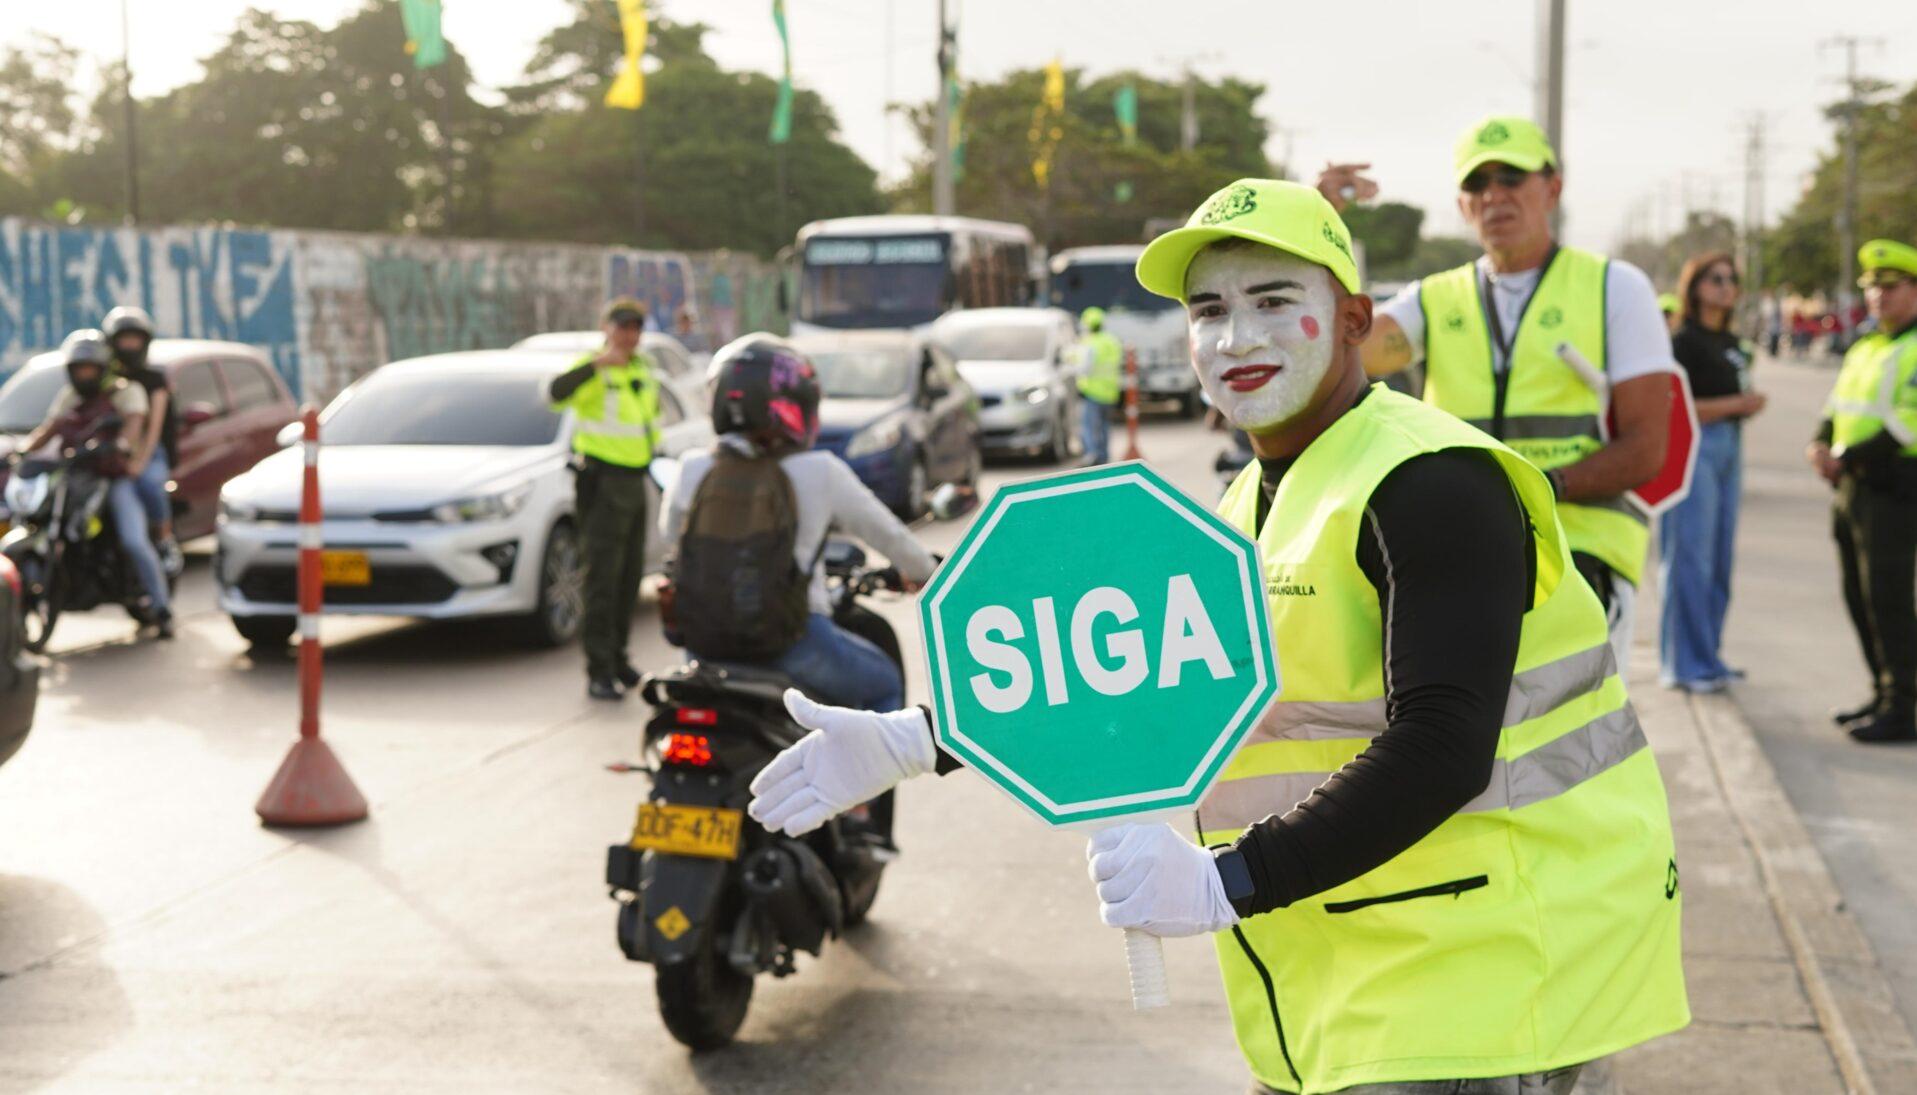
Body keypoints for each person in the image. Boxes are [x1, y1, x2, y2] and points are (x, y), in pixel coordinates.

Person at [747, 181, 1688, 1093]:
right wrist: (913, 740)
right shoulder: (1249, 500)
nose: (1236, 338)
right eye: (1207, 312)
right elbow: (1113, 665)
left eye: (1274, 301)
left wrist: (1224, 882)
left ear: (1356, 319)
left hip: (1479, 987)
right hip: (1341, 983)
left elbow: (1443, 744)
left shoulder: (1432, 481)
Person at [1321, 116, 1677, 672]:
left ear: (1552, 188)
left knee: (1565, 745)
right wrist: (1319, 225)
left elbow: (1647, 448)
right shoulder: (1433, 300)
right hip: (1460, 548)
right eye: (1477, 184)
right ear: (1463, 205)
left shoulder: (1615, 288)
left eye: (1512, 177)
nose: (1495, 196)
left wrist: (1533, 493)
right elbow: (1331, 350)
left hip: (1579, 552)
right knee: (1457, 742)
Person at [660, 335, 936, 713]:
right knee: (882, 685)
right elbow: (888, 535)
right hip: (790, 643)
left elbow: (670, 536)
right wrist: (929, 571)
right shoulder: (819, 471)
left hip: (704, 645)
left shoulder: (692, 467)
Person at [1808, 238, 1917, 744]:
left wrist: (1845, 458)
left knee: (1888, 598)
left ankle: (1905, 705)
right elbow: (1837, 409)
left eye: (1890, 288)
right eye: (1872, 289)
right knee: (1859, 596)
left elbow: (1907, 426)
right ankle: (1883, 690)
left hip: (1893, 490)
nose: (1879, 297)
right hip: (1852, 489)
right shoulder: (1866, 347)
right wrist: (1819, 443)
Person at [548, 298, 667, 700]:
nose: (629, 334)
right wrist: (598, 364)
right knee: (603, 579)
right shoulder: (593, 369)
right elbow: (555, 393)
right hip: (602, 484)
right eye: (622, 326)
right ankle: (598, 669)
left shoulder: (642, 369)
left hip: (636, 481)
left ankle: (618, 657)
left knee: (630, 577)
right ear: (606, 327)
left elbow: (649, 422)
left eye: (636, 327)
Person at [20, 330, 173, 637]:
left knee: (133, 540)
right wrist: (22, 450)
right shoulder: (71, 397)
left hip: (113, 478)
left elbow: (133, 425)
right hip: (76, 475)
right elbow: (48, 429)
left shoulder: (126, 391)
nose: (84, 375)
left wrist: (121, 445)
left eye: (89, 369)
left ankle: (161, 609)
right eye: (79, 369)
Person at [1661, 254, 1767, 692]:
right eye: (1715, 279)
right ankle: (1683, 666)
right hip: (1694, 447)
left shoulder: (1730, 341)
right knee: (1691, 559)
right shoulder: (1682, 341)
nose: (1726, 287)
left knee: (1720, 559)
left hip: (1729, 446)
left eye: (1732, 280)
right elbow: (1670, 406)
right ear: (1696, 285)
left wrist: (1741, 407)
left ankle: (1708, 657)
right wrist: (1733, 406)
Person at [102, 305, 183, 578]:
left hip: (148, 451)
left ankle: (164, 537)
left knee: (149, 482)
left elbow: (154, 428)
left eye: (134, 339)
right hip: (111, 453)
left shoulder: (155, 380)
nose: (129, 345)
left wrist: (140, 461)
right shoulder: (107, 380)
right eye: (124, 339)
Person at [1073, 306, 1122, 464]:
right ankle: (1104, 455)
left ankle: (1092, 455)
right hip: (1110, 393)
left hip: (1092, 392)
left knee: (1089, 426)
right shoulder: (1112, 341)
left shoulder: (1089, 343)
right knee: (1105, 426)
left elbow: (1083, 368)